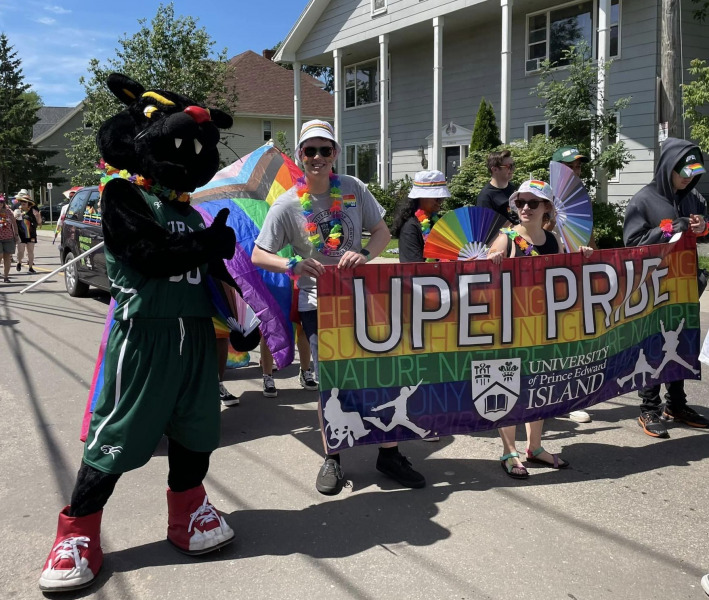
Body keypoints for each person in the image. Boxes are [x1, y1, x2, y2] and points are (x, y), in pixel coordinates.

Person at [252, 119, 426, 495]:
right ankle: (333, 456)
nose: (317, 157)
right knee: (333, 384)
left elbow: (381, 232)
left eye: (325, 150)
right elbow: (258, 254)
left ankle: (389, 453)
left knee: (382, 374)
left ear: (335, 154)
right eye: (309, 150)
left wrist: (363, 254)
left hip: (365, 298)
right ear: (300, 156)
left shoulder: (353, 188)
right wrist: (291, 264)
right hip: (320, 304)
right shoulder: (286, 204)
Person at [488, 180, 593, 478]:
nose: (525, 208)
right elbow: (480, 285)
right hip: (508, 328)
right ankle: (509, 452)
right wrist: (490, 262)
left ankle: (534, 448)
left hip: (543, 328)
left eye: (533, 203)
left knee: (539, 387)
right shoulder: (505, 239)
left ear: (546, 208)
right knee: (506, 388)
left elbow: (563, 282)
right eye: (521, 201)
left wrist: (581, 259)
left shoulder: (553, 241)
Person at [623, 137, 709, 438]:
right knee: (653, 345)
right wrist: (672, 226)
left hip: (685, 285)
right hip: (653, 287)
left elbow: (703, 224)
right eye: (682, 172)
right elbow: (632, 244)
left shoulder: (692, 196)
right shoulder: (642, 199)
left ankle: (677, 404)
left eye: (693, 173)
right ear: (667, 168)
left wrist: (702, 226)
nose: (687, 178)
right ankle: (649, 408)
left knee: (682, 342)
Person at [391, 169, 449, 263]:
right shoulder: (410, 228)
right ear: (420, 197)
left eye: (442, 197)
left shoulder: (438, 222)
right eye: (436, 197)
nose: (440, 201)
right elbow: (414, 267)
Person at [476, 150, 518, 224]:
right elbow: (486, 226)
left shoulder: (513, 188)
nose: (512, 169)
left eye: (513, 165)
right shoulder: (485, 197)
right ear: (495, 169)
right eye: (509, 166)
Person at [15, 189, 42, 273]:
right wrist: (16, 215)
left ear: (28, 204)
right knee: (21, 251)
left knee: (30, 251)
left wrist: (38, 216)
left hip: (31, 234)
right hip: (21, 234)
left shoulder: (33, 211)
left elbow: (39, 222)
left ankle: (30, 267)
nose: (23, 203)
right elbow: (13, 219)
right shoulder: (17, 210)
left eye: (25, 202)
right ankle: (19, 262)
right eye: (22, 202)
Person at [0, 194, 21, 283]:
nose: (0, 203)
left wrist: (16, 234)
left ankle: (6, 277)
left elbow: (14, 224)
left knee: (7, 257)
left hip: (9, 237)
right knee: (0, 256)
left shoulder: (9, 211)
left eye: (1, 202)